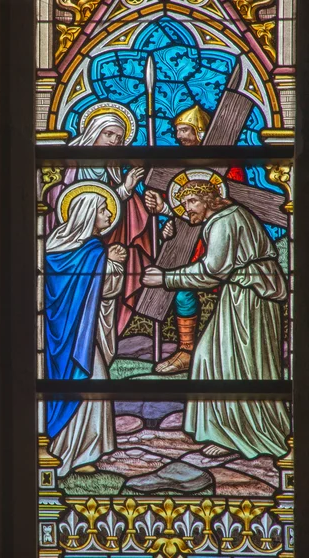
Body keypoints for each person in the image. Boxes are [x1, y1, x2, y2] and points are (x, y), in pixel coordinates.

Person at [142, 179, 290, 458]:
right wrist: (165, 212)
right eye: (184, 203)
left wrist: (165, 278)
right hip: (243, 293)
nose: (187, 209)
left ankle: (241, 433)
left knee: (239, 363)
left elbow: (214, 270)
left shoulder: (224, 221)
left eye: (191, 202)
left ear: (209, 200)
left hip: (249, 297)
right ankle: (228, 430)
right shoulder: (228, 215)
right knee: (217, 359)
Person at [144, 104, 246, 374]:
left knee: (231, 291)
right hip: (190, 241)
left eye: (185, 130)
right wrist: (164, 212)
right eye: (177, 131)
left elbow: (229, 200)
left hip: (224, 240)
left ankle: (229, 350)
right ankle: (187, 350)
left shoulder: (227, 163)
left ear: (201, 131)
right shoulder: (179, 164)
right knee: (183, 289)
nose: (179, 137)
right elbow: (186, 208)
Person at [44, 104, 151, 334]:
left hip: (104, 248)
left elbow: (120, 213)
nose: (114, 142)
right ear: (94, 132)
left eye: (119, 138)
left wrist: (127, 189)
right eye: (108, 134)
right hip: (73, 251)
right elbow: (58, 201)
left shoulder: (113, 172)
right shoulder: (68, 168)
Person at [45, 186, 127, 476]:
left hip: (55, 333)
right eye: (103, 210)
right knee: (94, 380)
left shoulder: (52, 246)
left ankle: (70, 450)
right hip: (79, 334)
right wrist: (115, 264)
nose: (107, 215)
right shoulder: (93, 250)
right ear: (89, 214)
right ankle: (78, 452)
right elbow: (104, 291)